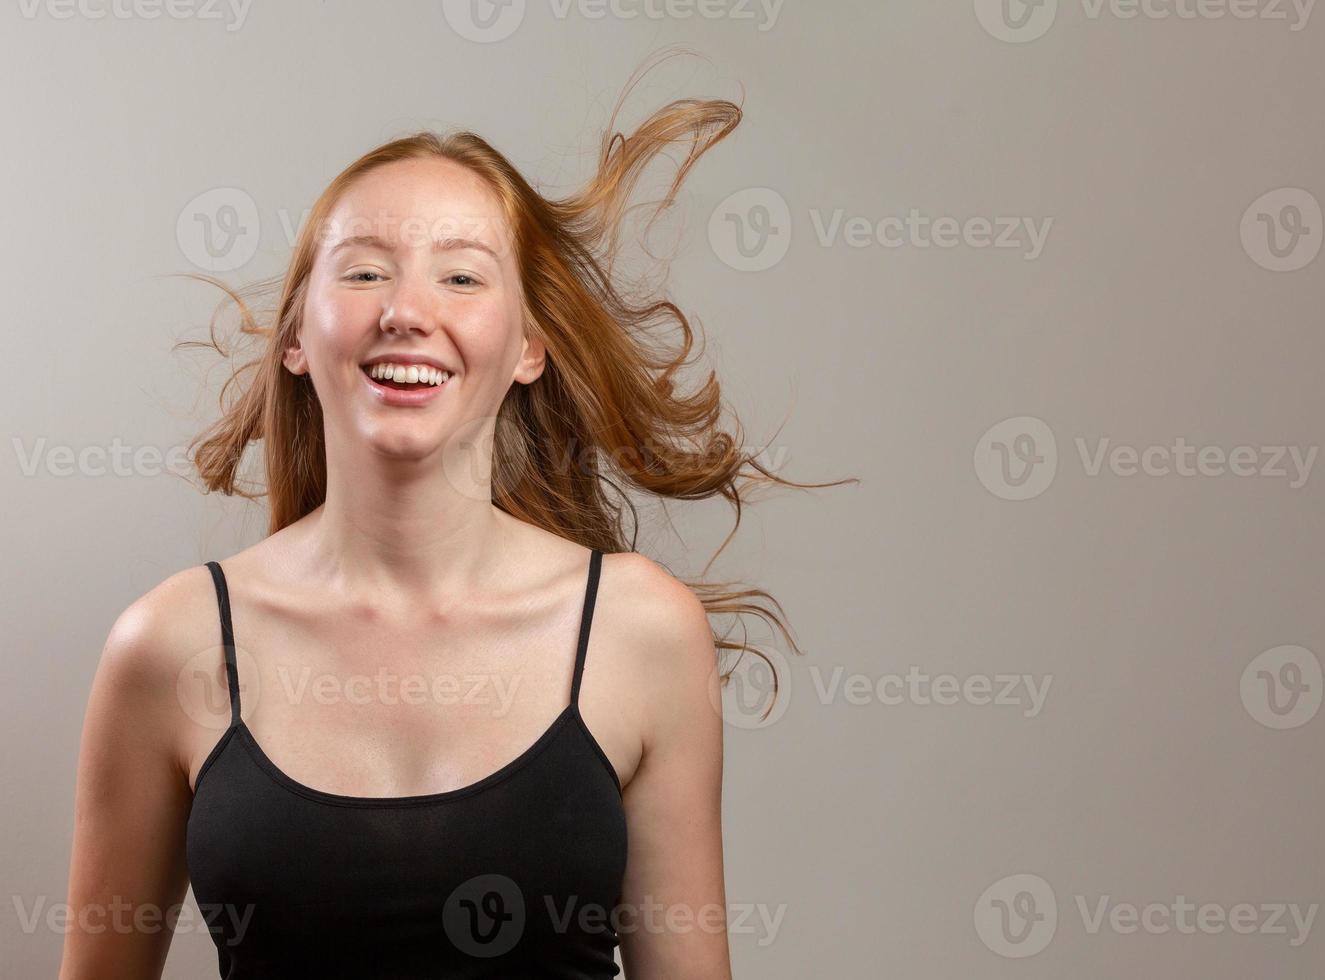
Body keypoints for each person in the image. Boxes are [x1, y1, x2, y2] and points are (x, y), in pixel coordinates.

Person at [58, 48, 826, 980]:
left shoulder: (641, 631)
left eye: (462, 278)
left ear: (530, 347)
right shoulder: (169, 645)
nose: (408, 311)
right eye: (366, 272)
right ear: (298, 337)